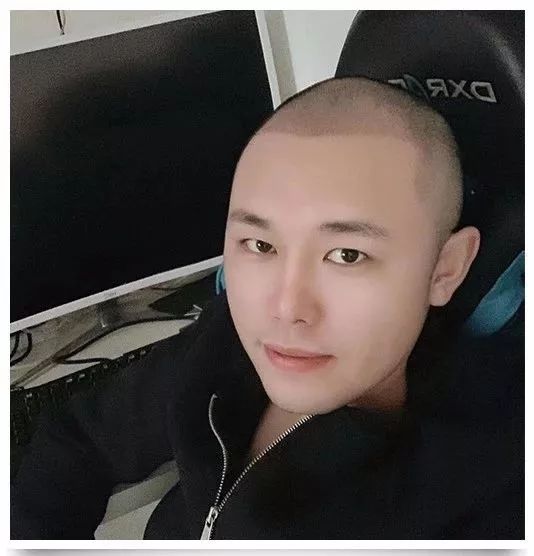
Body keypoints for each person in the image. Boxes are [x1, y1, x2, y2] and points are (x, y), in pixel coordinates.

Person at [11, 76, 524, 539]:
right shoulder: (222, 343)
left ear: (445, 270)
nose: (285, 308)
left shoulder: (479, 497)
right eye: (260, 245)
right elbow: (79, 440)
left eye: (346, 255)